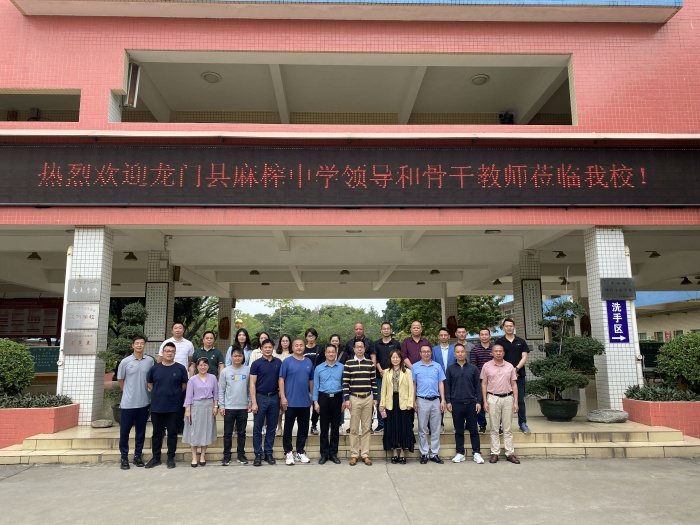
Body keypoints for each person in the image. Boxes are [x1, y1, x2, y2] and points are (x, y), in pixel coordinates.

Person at [146, 341, 188, 469]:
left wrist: (174, 394)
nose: (169, 353)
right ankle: (156, 457)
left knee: (172, 433)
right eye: (167, 351)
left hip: (174, 406)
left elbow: (184, 385)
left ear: (175, 353)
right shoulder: (155, 368)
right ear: (163, 352)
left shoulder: (180, 368)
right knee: (157, 433)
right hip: (157, 406)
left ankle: (170, 458)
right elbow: (150, 384)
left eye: (172, 351)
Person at [117, 335, 154, 470]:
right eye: (137, 343)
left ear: (144, 345)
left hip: (143, 403)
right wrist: (127, 392)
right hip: (128, 404)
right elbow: (120, 380)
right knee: (124, 432)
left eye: (142, 343)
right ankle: (124, 457)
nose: (139, 345)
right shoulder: (125, 362)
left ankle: (138, 455)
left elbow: (150, 380)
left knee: (141, 432)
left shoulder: (150, 361)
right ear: (133, 345)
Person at [481, 344, 520, 464]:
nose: (498, 353)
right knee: (494, 427)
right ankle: (495, 452)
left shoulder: (510, 366)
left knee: (507, 428)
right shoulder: (486, 366)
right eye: (496, 351)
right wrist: (485, 401)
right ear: (492, 353)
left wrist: (516, 402)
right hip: (493, 398)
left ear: (503, 353)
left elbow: (514, 384)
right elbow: (484, 384)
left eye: (500, 351)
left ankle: (510, 453)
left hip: (508, 398)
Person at [445, 343, 484, 464]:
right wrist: (448, 401)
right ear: (454, 354)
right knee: (459, 430)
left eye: (462, 351)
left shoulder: (473, 368)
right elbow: (447, 386)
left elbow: (478, 387)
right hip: (456, 403)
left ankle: (477, 453)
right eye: (458, 352)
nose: (460, 354)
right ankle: (460, 453)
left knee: (473, 430)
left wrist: (479, 401)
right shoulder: (450, 369)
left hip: (471, 403)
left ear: (465, 352)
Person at [342, 339, 377, 466]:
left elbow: (373, 382)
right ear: (354, 349)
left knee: (367, 428)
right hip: (354, 398)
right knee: (354, 428)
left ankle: (365, 454)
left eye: (361, 347)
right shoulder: (348, 363)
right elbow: (345, 382)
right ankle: (354, 454)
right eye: (357, 347)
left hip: (367, 398)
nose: (360, 349)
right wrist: (346, 399)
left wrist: (375, 398)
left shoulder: (370, 363)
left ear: (365, 349)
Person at [280, 339, 315, 465]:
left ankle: (300, 451)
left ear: (304, 347)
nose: (299, 347)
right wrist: (283, 397)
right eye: (296, 345)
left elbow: (311, 380)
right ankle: (288, 452)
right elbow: (281, 379)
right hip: (290, 401)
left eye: (301, 345)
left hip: (305, 401)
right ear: (292, 347)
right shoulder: (287, 362)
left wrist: (312, 395)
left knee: (303, 429)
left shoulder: (308, 362)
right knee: (288, 428)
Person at [378, 349, 415, 464]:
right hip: (390, 403)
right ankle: (394, 452)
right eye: (393, 357)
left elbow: (411, 389)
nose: (395, 359)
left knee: (404, 427)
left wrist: (410, 403)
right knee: (392, 427)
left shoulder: (407, 372)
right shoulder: (386, 372)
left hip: (404, 403)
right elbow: (383, 390)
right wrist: (382, 404)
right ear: (390, 359)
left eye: (397, 357)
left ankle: (403, 452)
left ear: (401, 359)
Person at [495, 318, 531, 434]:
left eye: (511, 326)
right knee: (501, 400)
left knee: (520, 400)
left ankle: (523, 423)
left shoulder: (521, 341)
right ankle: (500, 425)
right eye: (506, 326)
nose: (509, 328)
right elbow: (497, 357)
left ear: (514, 327)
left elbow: (524, 357)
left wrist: (516, 369)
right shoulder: (499, 342)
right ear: (503, 328)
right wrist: (507, 371)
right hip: (503, 376)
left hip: (519, 375)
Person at [250, 338, 281, 466]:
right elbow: (252, 383)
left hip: (274, 397)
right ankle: (258, 454)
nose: (268, 349)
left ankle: (268, 452)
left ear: (273, 348)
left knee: (272, 427)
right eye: (265, 347)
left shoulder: (278, 362)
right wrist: (254, 402)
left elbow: (281, 380)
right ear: (261, 349)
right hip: (260, 397)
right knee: (257, 428)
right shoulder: (256, 364)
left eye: (270, 347)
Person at [158, 321, 194, 433]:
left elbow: (190, 361)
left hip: (182, 377)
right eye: (175, 328)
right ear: (172, 330)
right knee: (165, 401)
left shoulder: (189, 344)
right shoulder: (166, 343)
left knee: (180, 401)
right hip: (167, 377)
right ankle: (164, 426)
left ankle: (179, 426)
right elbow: (160, 360)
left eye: (180, 328)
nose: (178, 330)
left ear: (183, 330)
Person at [413, 344, 446, 464]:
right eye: (424, 351)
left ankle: (434, 453)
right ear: (420, 353)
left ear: (431, 353)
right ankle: (424, 453)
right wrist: (413, 400)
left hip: (436, 400)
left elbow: (441, 383)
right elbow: (414, 384)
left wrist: (443, 400)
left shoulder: (437, 366)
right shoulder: (415, 367)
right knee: (422, 428)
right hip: (422, 400)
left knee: (435, 428)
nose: (426, 353)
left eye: (428, 351)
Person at [183, 357, 218, 467]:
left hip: (209, 406)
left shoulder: (213, 378)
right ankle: (194, 457)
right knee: (194, 432)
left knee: (206, 431)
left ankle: (202, 456)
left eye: (205, 365)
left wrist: (215, 406)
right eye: (201, 365)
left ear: (208, 366)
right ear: (197, 367)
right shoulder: (192, 379)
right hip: (196, 407)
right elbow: (189, 395)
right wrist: (187, 410)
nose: (203, 367)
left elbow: (216, 393)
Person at [219, 347, 251, 466]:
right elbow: (221, 390)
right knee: (228, 433)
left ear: (243, 357)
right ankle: (226, 456)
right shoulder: (225, 371)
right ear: (231, 357)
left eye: (240, 356)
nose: (237, 358)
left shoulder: (248, 370)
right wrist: (222, 405)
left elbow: (250, 388)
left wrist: (250, 402)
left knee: (241, 432)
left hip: (243, 407)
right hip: (229, 407)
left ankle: (241, 455)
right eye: (235, 356)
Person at [312, 344, 344, 464]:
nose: (331, 354)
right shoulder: (319, 368)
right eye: (328, 352)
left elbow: (345, 384)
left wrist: (344, 400)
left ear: (336, 353)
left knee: (335, 428)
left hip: (337, 398)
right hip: (323, 398)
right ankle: (324, 454)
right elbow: (315, 385)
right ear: (325, 354)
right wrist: (315, 402)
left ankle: (333, 453)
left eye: (333, 352)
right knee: (324, 428)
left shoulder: (341, 367)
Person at [373, 321, 401, 434]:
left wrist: (390, 371)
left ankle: (391, 423)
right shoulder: (376, 344)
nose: (386, 330)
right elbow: (375, 359)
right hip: (380, 376)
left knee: (393, 399)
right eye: (384, 329)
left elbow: (398, 358)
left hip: (394, 376)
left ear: (391, 330)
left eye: (388, 328)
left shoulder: (396, 343)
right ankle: (381, 423)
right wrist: (381, 370)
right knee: (381, 399)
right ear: (381, 330)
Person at [471, 328, 494, 433]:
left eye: (486, 334)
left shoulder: (494, 349)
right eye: (482, 334)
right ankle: (482, 425)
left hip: (494, 380)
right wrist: (482, 376)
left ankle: (498, 425)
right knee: (479, 401)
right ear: (479, 336)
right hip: (480, 380)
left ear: (490, 336)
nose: (484, 336)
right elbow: (473, 365)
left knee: (495, 403)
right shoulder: (475, 350)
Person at [432, 326, 455, 432]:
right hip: (438, 379)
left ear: (449, 336)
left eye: (445, 335)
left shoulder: (454, 349)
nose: (443, 337)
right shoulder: (434, 349)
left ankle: (457, 425)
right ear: (438, 337)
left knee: (454, 401)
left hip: (453, 378)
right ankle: (440, 424)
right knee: (440, 401)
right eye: (441, 335)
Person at [304, 328, 324, 435]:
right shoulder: (302, 349)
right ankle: (304, 424)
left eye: (312, 336)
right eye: (309, 336)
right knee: (305, 403)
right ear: (306, 337)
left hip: (317, 379)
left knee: (316, 402)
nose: (311, 338)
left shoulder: (320, 349)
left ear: (315, 337)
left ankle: (314, 424)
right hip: (304, 379)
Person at [275, 333, 293, 436]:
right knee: (279, 407)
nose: (285, 343)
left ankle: (287, 427)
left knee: (289, 407)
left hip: (290, 382)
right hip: (278, 382)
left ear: (289, 342)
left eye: (286, 341)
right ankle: (279, 427)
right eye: (283, 341)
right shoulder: (275, 354)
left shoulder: (293, 354)